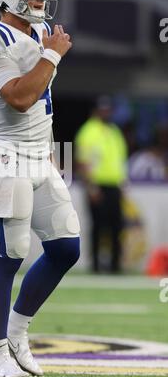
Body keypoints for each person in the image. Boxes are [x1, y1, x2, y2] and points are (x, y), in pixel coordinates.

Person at [0, 0, 80, 377]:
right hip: (4, 156)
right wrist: (51, 57)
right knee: (8, 256)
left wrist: (49, 153)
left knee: (66, 248)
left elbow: (39, 110)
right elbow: (18, 97)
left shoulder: (44, 31)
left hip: (39, 156)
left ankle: (17, 331)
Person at [75, 97, 127, 274]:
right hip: (97, 186)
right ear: (95, 111)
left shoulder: (114, 131)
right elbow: (83, 162)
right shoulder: (88, 131)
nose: (106, 113)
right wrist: (91, 188)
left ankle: (115, 266)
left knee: (116, 226)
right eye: (102, 110)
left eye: (108, 110)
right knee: (98, 226)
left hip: (114, 186)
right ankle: (96, 266)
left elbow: (120, 160)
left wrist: (122, 185)